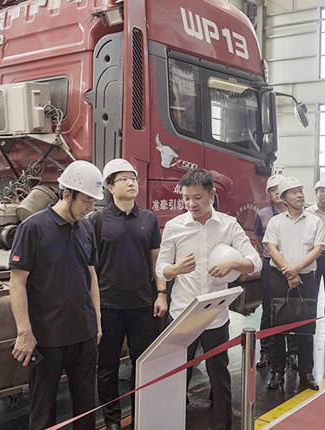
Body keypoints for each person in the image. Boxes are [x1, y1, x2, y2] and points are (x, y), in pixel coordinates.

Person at [156, 168, 261, 430]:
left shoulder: (228, 225)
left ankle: (222, 425)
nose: (191, 204)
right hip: (183, 314)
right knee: (177, 375)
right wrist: (176, 269)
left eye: (198, 198)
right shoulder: (174, 227)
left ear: (212, 195)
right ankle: (171, 422)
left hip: (215, 315)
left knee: (219, 377)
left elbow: (255, 261)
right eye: (186, 198)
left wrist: (234, 264)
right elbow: (161, 268)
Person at [9, 160, 103, 430]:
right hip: (47, 338)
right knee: (43, 412)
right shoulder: (33, 228)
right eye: (87, 200)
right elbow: (17, 283)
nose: (90, 208)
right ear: (67, 194)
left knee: (85, 410)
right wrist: (24, 332)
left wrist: (96, 322)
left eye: (93, 201)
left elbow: (91, 276)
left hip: (83, 335)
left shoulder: (86, 227)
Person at [91, 159, 168, 430]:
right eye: (123, 179)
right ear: (110, 187)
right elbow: (91, 268)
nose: (131, 182)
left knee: (143, 364)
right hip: (108, 307)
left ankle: (140, 418)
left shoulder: (148, 219)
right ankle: (112, 421)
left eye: (133, 178)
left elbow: (156, 261)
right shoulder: (98, 220)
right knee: (107, 367)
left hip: (142, 306)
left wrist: (161, 293)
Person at [263, 176, 325, 391]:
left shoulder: (315, 221)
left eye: (301, 191)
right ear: (284, 198)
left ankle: (306, 372)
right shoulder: (275, 222)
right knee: (277, 327)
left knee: (306, 327)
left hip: (307, 279)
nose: (300, 195)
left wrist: (295, 269)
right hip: (279, 278)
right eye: (294, 192)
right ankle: (277, 370)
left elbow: (317, 250)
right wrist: (289, 273)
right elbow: (272, 248)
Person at [254, 174, 298, 371]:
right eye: (273, 190)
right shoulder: (263, 214)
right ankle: (265, 351)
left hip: (293, 267)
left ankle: (293, 351)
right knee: (269, 309)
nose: (277, 193)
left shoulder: (295, 213)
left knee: (293, 308)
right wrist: (268, 255)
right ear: (269, 194)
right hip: (270, 267)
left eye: (280, 189)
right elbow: (258, 238)